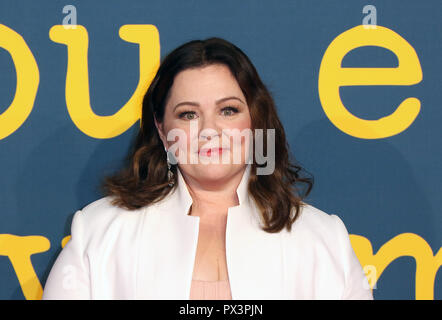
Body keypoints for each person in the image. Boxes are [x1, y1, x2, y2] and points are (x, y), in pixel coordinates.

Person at [42, 37, 373, 300]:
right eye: (189, 114)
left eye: (228, 110)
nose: (209, 130)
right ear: (161, 129)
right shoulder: (99, 233)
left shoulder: (323, 239)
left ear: (255, 120)